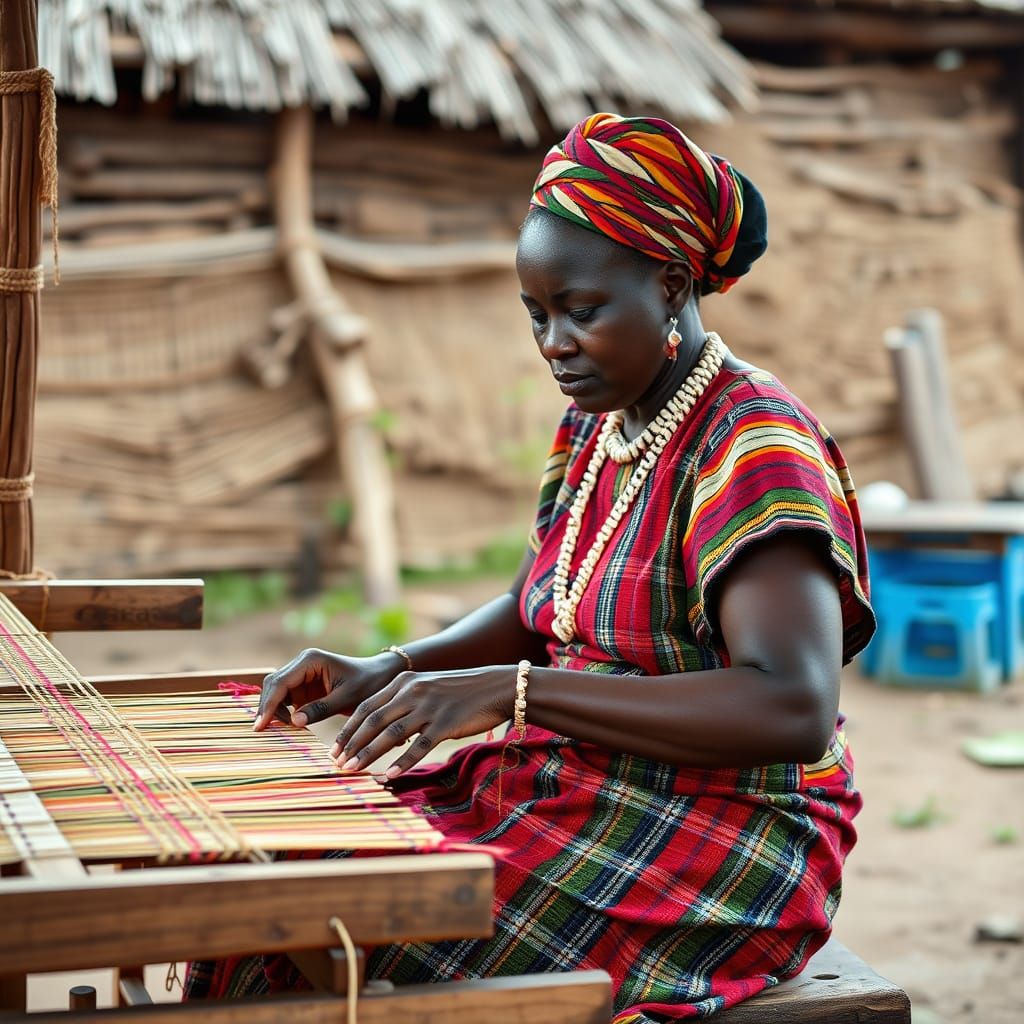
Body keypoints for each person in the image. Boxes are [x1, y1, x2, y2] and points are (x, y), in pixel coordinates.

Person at [187, 113, 874, 1021]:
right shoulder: (598, 423)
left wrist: (513, 693)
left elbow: (789, 705)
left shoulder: (753, 447)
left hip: (722, 835)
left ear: (670, 286)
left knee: (356, 930)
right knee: (279, 894)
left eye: (582, 311)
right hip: (577, 785)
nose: (554, 342)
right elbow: (535, 602)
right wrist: (387, 670)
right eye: (537, 315)